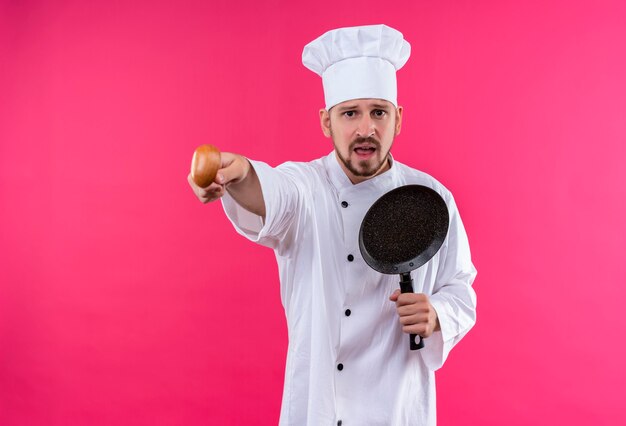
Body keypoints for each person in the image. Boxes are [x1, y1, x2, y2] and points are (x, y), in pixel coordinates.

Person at [188, 24, 477, 426]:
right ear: (326, 122)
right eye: (349, 114)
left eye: (379, 112)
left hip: (397, 408)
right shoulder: (306, 188)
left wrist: (438, 314)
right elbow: (272, 191)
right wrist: (240, 174)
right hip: (317, 407)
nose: (365, 129)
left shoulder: (432, 197)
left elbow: (461, 288)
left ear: (398, 118)